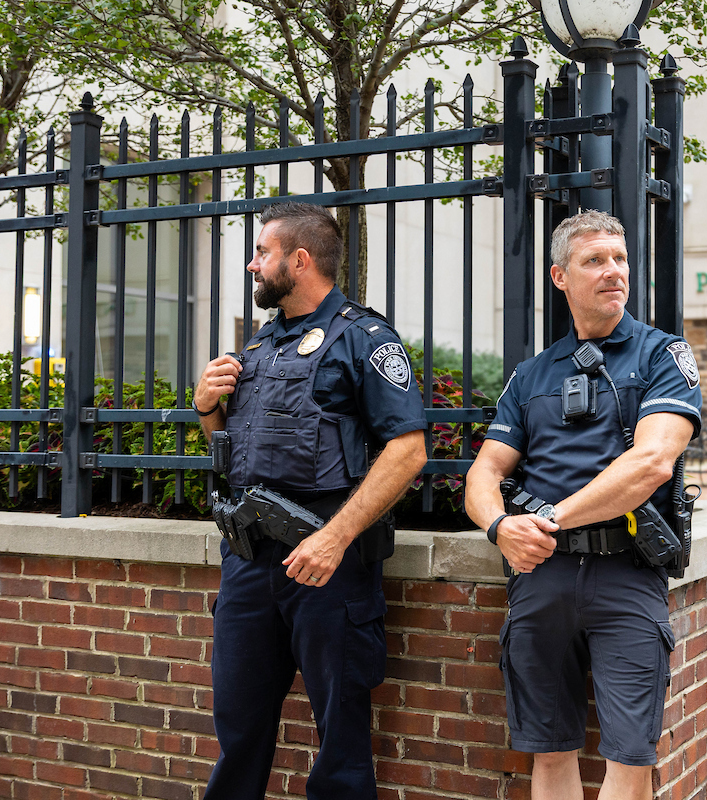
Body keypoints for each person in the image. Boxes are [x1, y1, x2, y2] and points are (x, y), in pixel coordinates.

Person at [192, 202, 427, 799]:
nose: (252, 264)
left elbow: (408, 450)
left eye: (262, 253)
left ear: (299, 261)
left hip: (328, 570)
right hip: (248, 567)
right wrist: (207, 410)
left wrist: (335, 536)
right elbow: (232, 452)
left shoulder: (365, 338)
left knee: (341, 746)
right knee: (238, 734)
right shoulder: (260, 345)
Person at [465, 209, 701, 799]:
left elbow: (650, 464)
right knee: (548, 755)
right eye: (595, 261)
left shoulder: (662, 356)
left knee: (630, 759)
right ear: (560, 276)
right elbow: (484, 472)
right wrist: (499, 527)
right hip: (540, 576)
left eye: (620, 259)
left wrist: (546, 519)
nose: (613, 271)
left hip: (626, 574)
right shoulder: (530, 375)